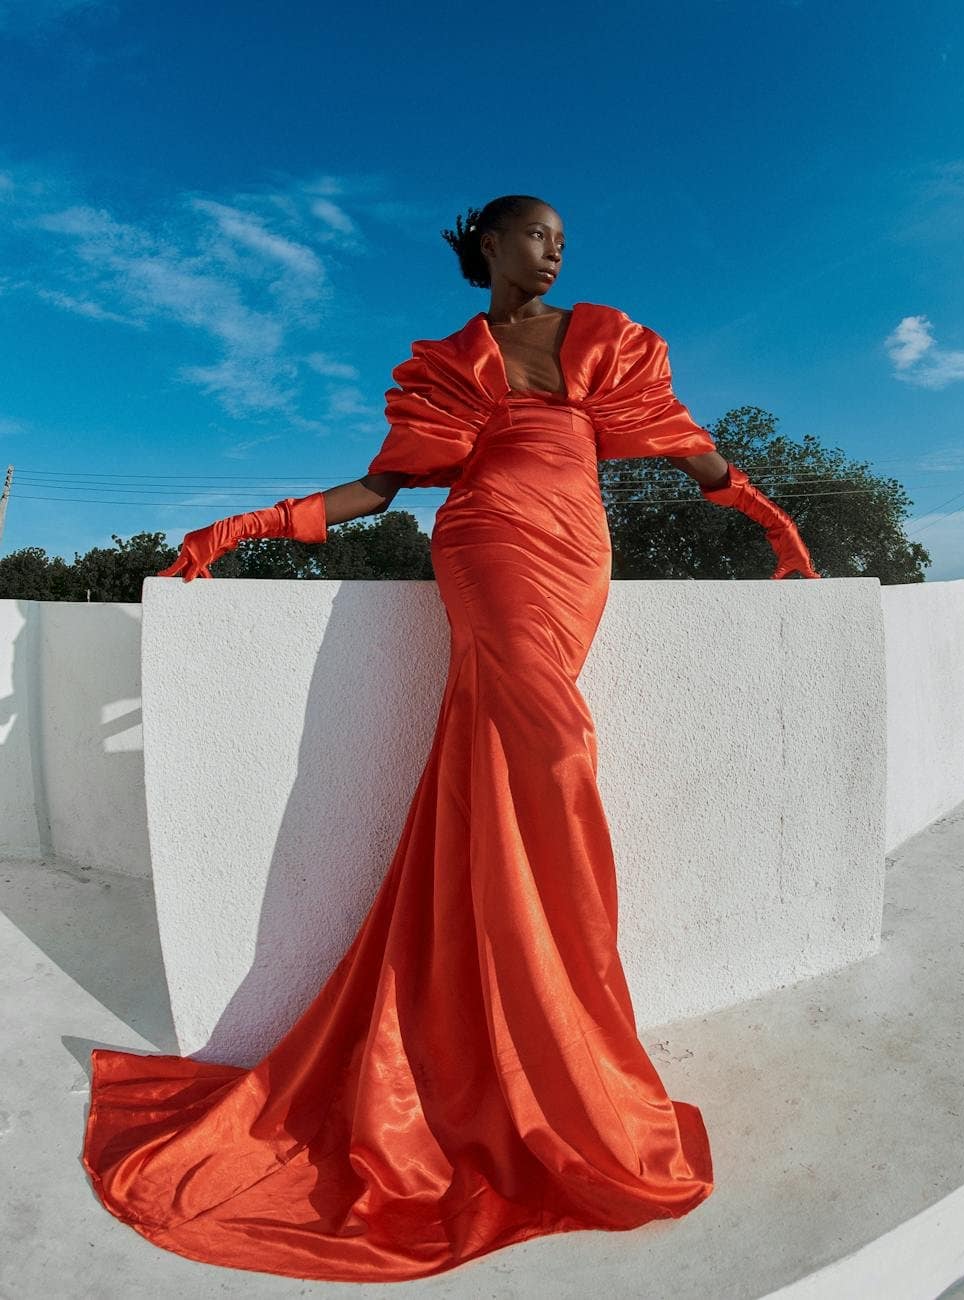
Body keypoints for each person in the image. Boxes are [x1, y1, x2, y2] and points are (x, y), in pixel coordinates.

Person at [81, 194, 821, 1285]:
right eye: (533, 230)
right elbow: (382, 489)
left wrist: (770, 519)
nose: (555, 245)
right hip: (481, 538)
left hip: (577, 549)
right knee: (556, 748)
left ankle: (524, 1021)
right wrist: (243, 527)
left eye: (564, 231)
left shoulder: (605, 336)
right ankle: (559, 1021)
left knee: (514, 757)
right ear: (486, 245)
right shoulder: (446, 359)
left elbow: (681, 442)